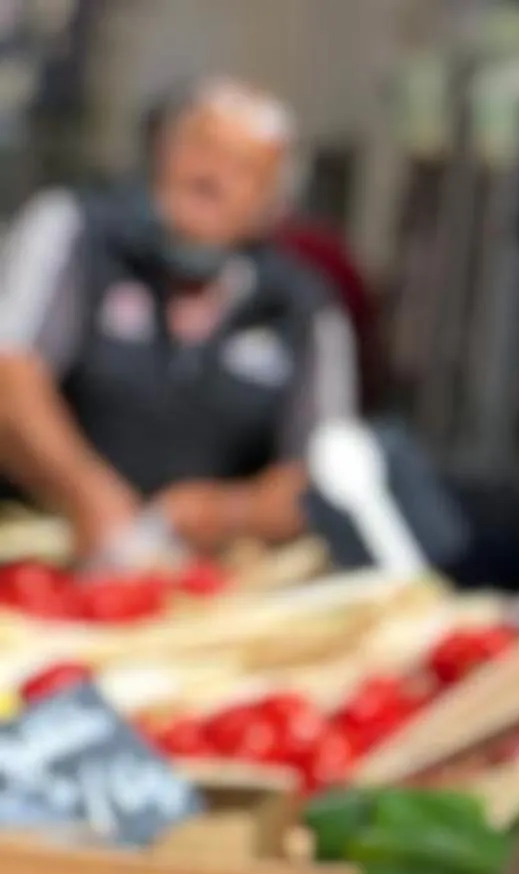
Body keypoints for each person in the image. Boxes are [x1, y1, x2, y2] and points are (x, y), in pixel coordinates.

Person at [0, 77, 355, 564]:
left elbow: (324, 471)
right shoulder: (75, 232)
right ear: (162, 153)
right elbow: (11, 376)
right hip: (38, 557)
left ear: (273, 204)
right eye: (200, 148)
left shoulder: (304, 307)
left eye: (242, 168)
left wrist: (227, 514)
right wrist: (83, 491)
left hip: (197, 582)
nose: (211, 176)